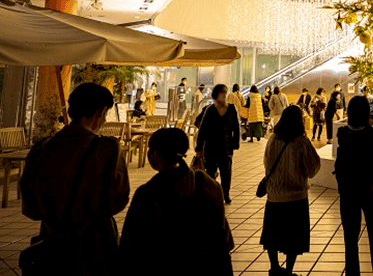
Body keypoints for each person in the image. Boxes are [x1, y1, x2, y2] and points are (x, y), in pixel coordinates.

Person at [20, 83, 130, 276]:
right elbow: (116, 202)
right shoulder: (106, 149)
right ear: (101, 111)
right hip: (94, 247)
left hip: (51, 245)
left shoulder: (40, 149)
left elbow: (30, 209)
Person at [119, 129, 234, 275]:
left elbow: (132, 242)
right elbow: (222, 235)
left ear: (155, 154)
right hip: (206, 264)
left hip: (165, 265)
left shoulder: (148, 192)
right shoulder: (207, 183)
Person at [334, 96, 373, 276]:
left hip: (348, 191)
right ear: (368, 112)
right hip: (370, 189)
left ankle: (353, 273)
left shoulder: (343, 134)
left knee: (350, 238)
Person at [261, 106, 321, 276]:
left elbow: (266, 163)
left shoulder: (272, 139)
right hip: (296, 197)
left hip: (274, 196)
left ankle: (274, 267)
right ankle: (288, 271)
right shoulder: (301, 142)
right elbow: (312, 169)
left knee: (272, 235)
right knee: (293, 238)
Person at [195, 84, 241, 204]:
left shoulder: (231, 109)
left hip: (226, 146)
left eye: (225, 92)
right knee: (210, 172)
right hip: (211, 146)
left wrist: (236, 142)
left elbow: (236, 127)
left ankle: (226, 193)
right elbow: (203, 129)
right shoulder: (210, 109)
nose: (224, 95)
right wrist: (199, 146)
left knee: (226, 172)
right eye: (221, 92)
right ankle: (212, 194)